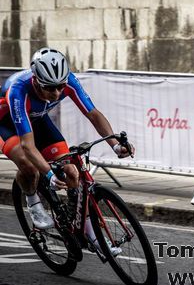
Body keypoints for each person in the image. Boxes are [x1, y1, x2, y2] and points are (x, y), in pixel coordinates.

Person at [0, 47, 134, 255]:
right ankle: (33, 201)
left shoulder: (68, 81)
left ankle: (86, 231)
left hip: (37, 117)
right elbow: (28, 145)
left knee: (72, 171)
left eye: (60, 87)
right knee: (29, 165)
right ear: (35, 80)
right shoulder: (18, 90)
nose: (56, 93)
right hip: (6, 124)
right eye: (50, 88)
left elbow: (93, 114)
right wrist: (50, 174)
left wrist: (115, 144)